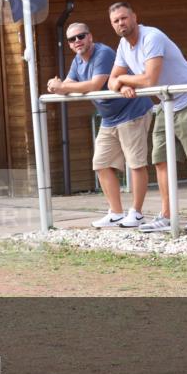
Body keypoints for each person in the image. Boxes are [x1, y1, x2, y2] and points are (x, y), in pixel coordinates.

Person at [107, 2, 187, 232]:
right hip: (166, 103)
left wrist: (123, 81)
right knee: (160, 158)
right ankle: (166, 215)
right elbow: (111, 80)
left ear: (135, 17)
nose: (121, 23)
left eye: (124, 18)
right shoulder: (123, 45)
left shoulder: (151, 37)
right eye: (116, 21)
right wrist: (119, 83)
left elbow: (149, 80)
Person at [47, 22, 153, 228]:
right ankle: (116, 213)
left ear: (90, 36)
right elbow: (67, 84)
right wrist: (55, 85)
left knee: (136, 163)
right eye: (72, 39)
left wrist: (62, 87)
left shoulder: (103, 54)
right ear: (69, 44)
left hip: (132, 111)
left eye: (81, 36)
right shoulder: (78, 61)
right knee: (101, 163)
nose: (77, 41)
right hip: (109, 118)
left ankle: (137, 213)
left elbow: (93, 85)